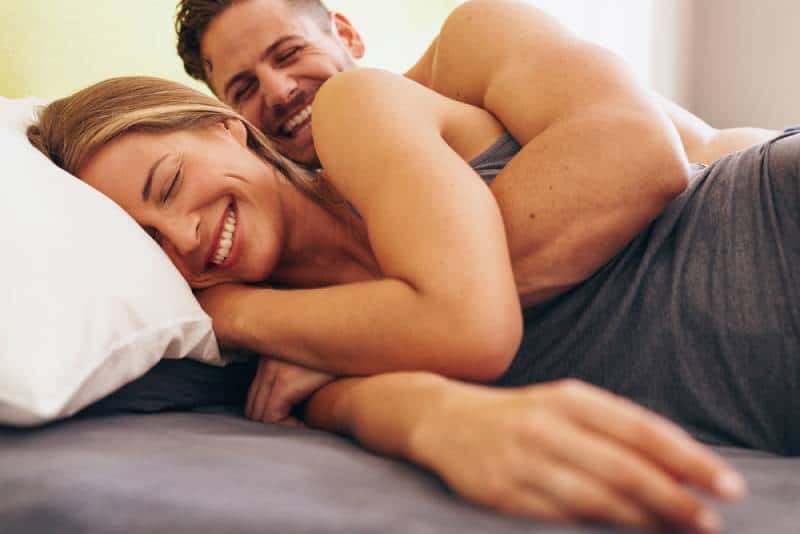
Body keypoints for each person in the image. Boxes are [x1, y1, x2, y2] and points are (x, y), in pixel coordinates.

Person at [29, 67, 800, 530]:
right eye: (152, 243)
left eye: (169, 186)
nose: (187, 238)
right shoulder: (278, 349)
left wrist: (236, 314)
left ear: (225, 129)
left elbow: (469, 326)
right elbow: (368, 402)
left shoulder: (354, 111)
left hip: (767, 230)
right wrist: (437, 418)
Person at [175, 0, 778, 169]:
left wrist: (370, 334)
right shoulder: (303, 225)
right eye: (244, 88)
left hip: (757, 189)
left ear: (348, 36)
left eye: (289, 53)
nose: (279, 91)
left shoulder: (473, 43)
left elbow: (642, 155)